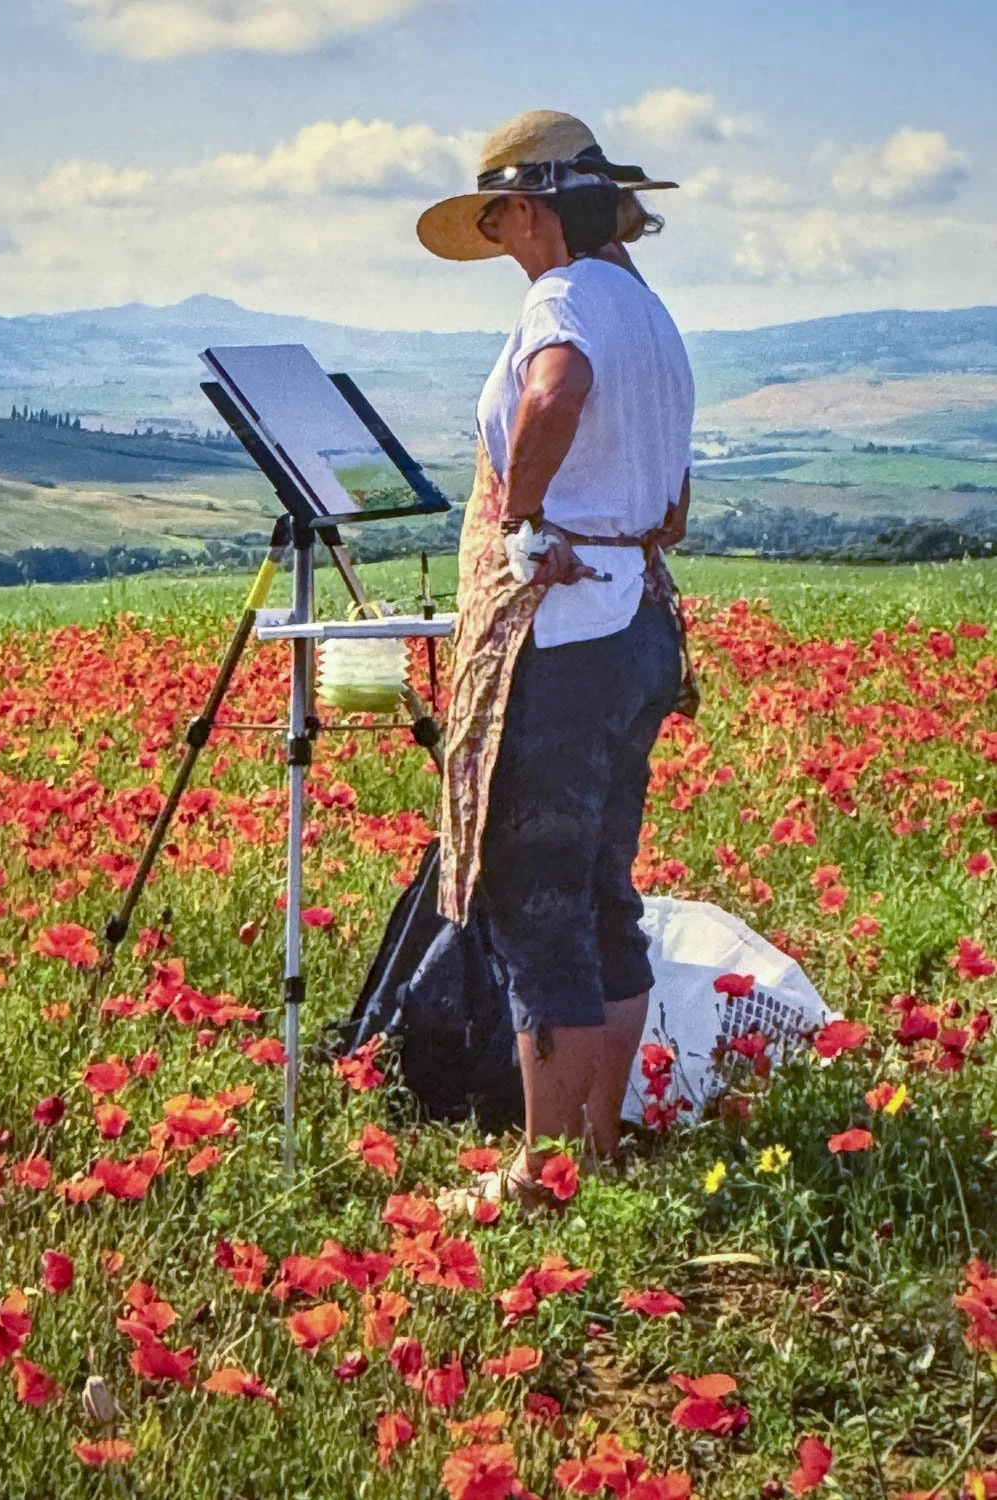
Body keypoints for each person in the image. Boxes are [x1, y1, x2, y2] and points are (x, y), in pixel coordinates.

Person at [416, 110, 695, 1208]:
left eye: (499, 217)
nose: (499, 240)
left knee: (537, 900)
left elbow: (557, 390)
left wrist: (527, 512)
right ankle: (599, 1147)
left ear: (532, 209)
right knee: (601, 892)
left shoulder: (566, 300)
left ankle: (543, 1172)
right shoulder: (652, 313)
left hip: (568, 634)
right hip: (637, 629)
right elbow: (670, 510)